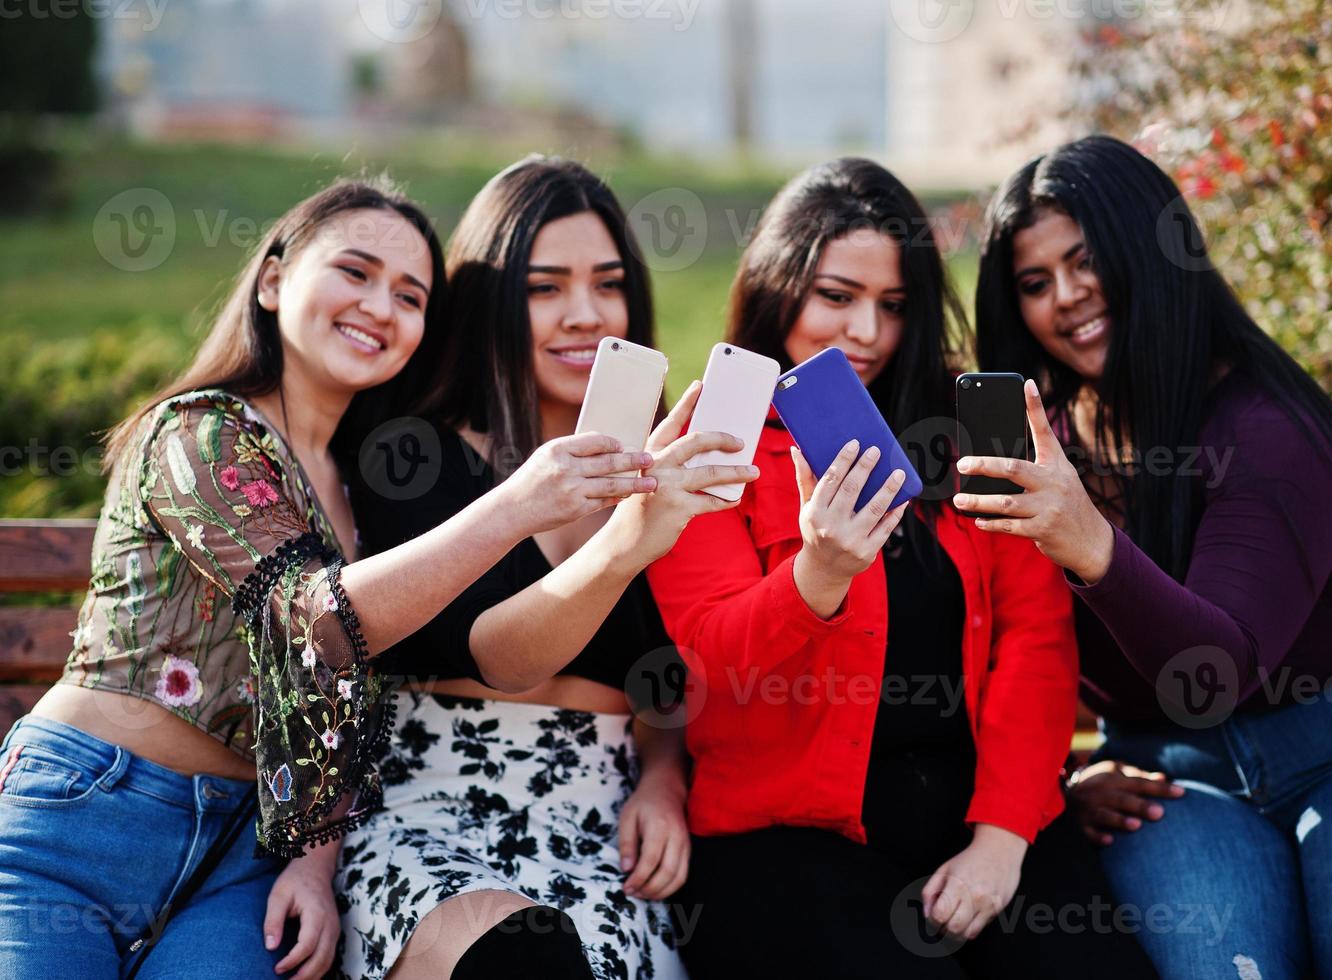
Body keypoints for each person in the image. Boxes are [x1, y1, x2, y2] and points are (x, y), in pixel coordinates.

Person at [0, 177, 655, 979]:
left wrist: (314, 863)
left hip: (241, 856)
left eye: (410, 296)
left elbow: (348, 697)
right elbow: (310, 622)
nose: (381, 307)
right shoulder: (201, 431)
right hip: (91, 814)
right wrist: (518, 503)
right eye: (355, 272)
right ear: (273, 281)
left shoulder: (357, 485)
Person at [962, 134, 1332, 979]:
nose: (1066, 298)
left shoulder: (1267, 428)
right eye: (1033, 282)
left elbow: (1214, 670)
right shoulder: (1032, 443)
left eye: (1087, 260)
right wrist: (1051, 786)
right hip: (1170, 777)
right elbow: (984, 637)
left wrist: (1087, 540)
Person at [645, 157, 1080, 978]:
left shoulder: (959, 430)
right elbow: (708, 666)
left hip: (982, 814)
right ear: (777, 286)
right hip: (786, 839)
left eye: (893, 306)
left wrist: (1001, 839)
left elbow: (1035, 637)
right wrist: (817, 575)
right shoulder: (718, 438)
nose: (867, 335)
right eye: (836, 297)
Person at [339, 156, 755, 980]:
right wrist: (620, 541)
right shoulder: (415, 453)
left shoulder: (661, 462)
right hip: (433, 814)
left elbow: (673, 672)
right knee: (523, 961)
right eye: (544, 288)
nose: (584, 316)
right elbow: (504, 658)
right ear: (490, 299)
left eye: (607, 285)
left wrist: (664, 775)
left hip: (607, 824)